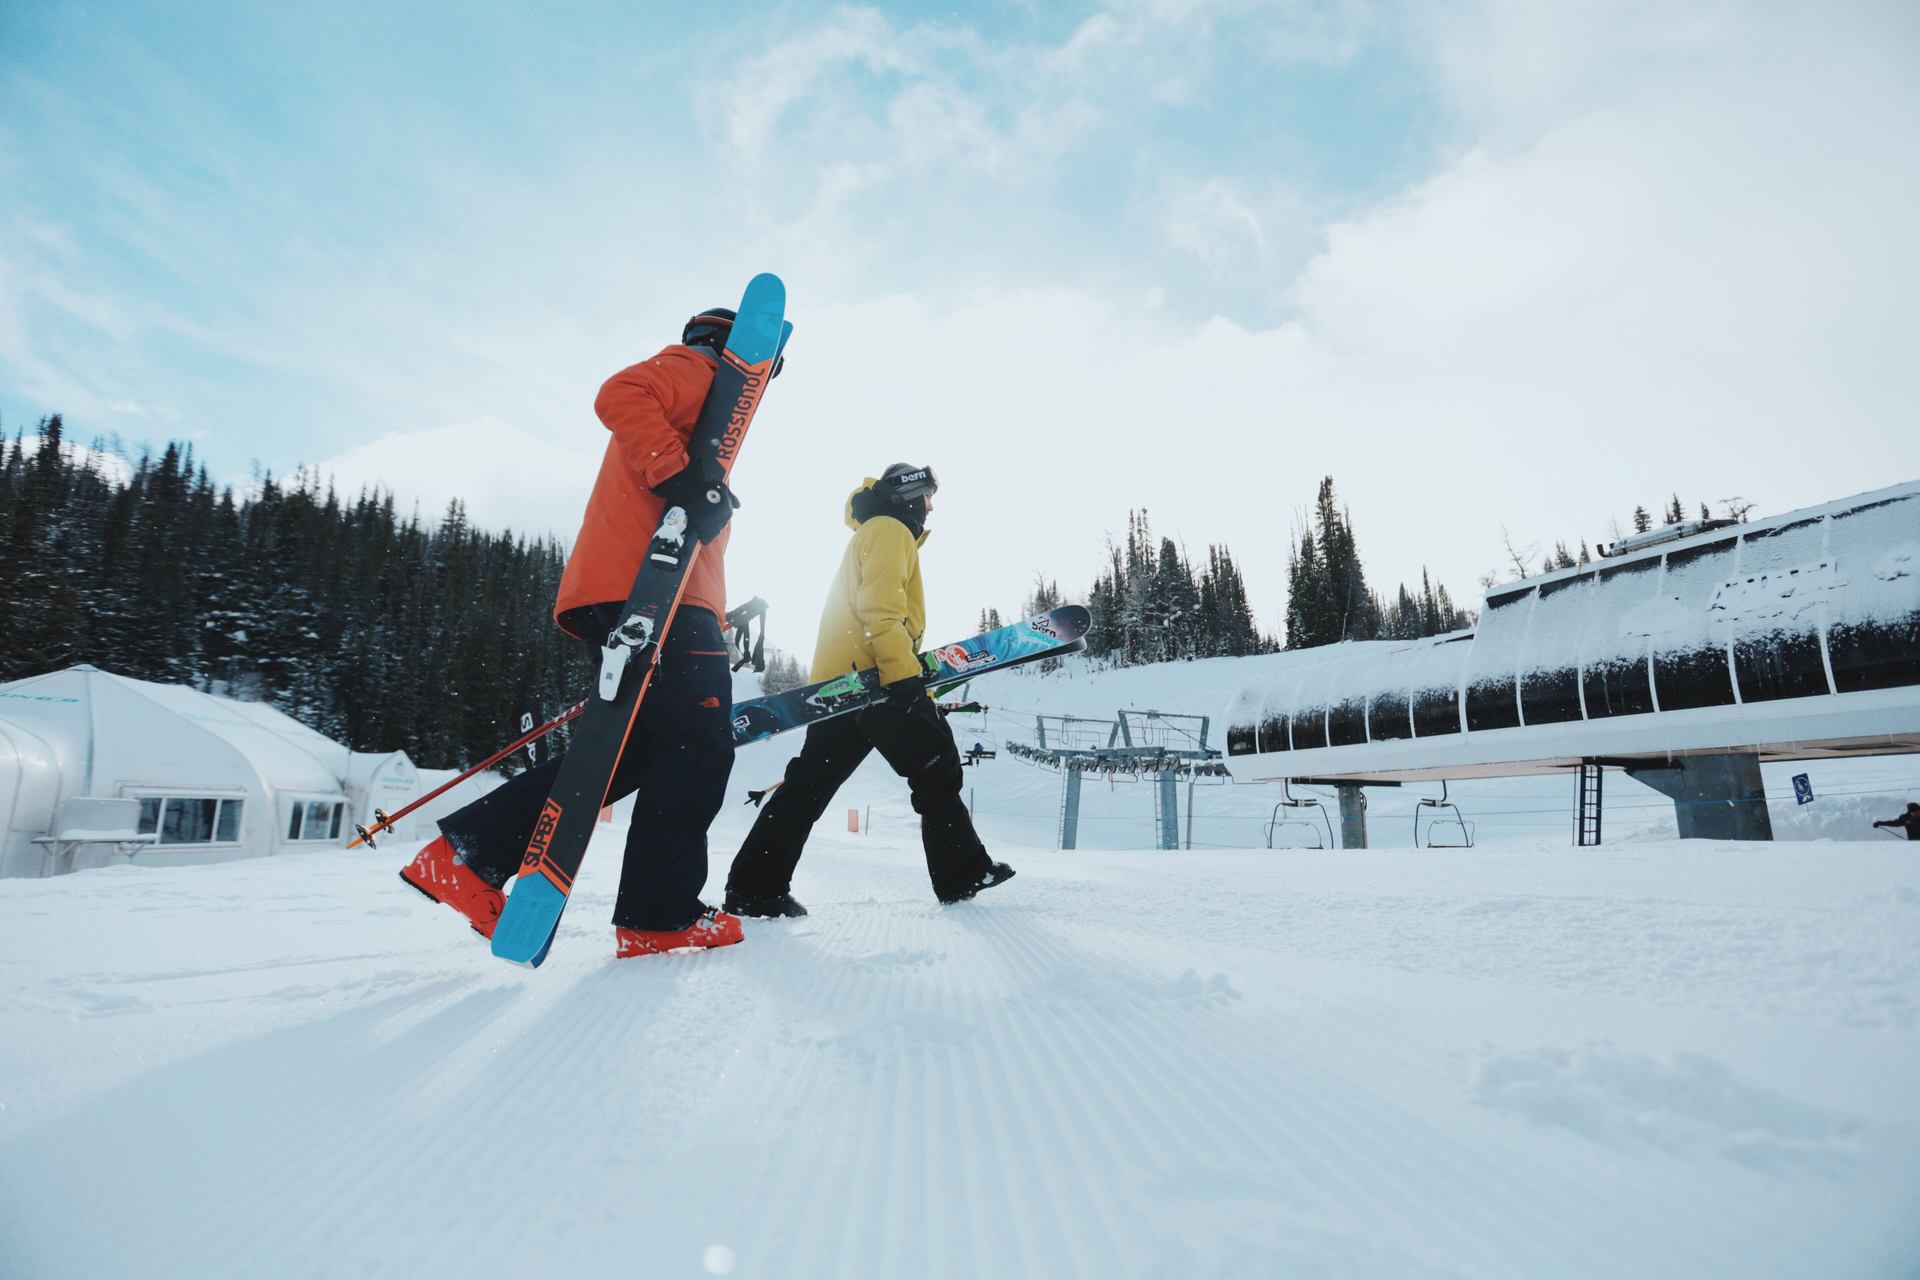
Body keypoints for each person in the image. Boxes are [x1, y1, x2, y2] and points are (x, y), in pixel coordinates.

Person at [400, 307, 759, 958]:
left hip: (641, 592)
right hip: (654, 594)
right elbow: (619, 392)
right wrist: (681, 478)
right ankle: (660, 915)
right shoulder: (700, 369)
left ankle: (465, 857)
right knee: (699, 748)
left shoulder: (703, 418)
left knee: (625, 753)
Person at [723, 465, 1014, 918]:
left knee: (808, 786)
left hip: (842, 687)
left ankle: (754, 888)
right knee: (936, 765)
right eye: (927, 497)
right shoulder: (889, 530)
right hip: (875, 682)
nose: (930, 508)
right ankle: (961, 873)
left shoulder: (872, 532)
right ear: (908, 496)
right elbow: (880, 608)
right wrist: (903, 679)